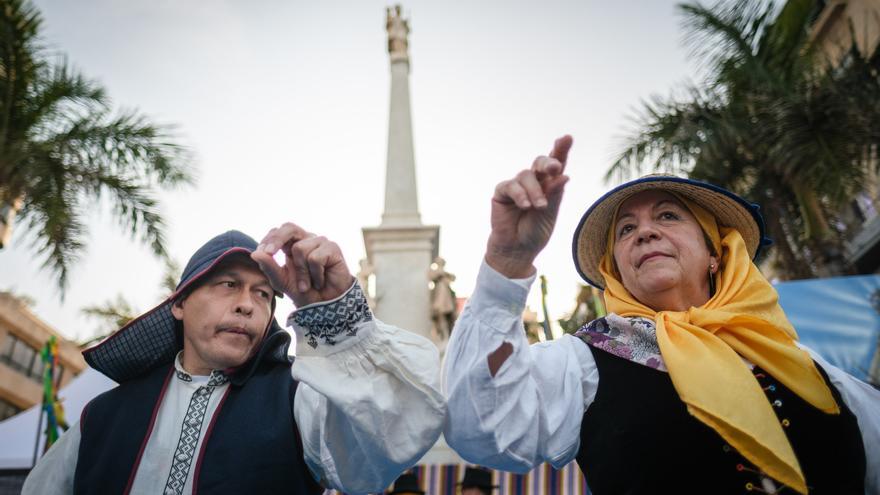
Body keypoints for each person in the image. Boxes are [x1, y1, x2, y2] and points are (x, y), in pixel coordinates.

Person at [443, 136, 880, 494]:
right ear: (617, 272)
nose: (645, 231)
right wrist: (508, 258)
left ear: (715, 254)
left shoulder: (799, 363)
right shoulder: (583, 364)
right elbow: (480, 426)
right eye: (626, 229)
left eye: (668, 216)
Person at [24, 225, 445, 494]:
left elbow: (389, 446)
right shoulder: (102, 416)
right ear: (180, 304)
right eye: (229, 284)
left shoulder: (300, 399)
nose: (247, 305)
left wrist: (341, 321)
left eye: (263, 294)